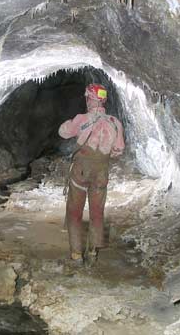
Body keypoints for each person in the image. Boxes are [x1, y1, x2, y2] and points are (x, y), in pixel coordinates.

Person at [58, 83, 125, 266]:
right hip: (101, 173)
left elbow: (63, 133)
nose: (86, 100)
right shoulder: (115, 123)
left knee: (74, 212)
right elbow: (118, 150)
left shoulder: (82, 119)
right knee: (97, 213)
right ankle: (93, 253)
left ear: (89, 98)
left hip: (81, 171)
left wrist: (67, 124)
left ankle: (76, 255)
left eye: (87, 97)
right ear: (103, 100)